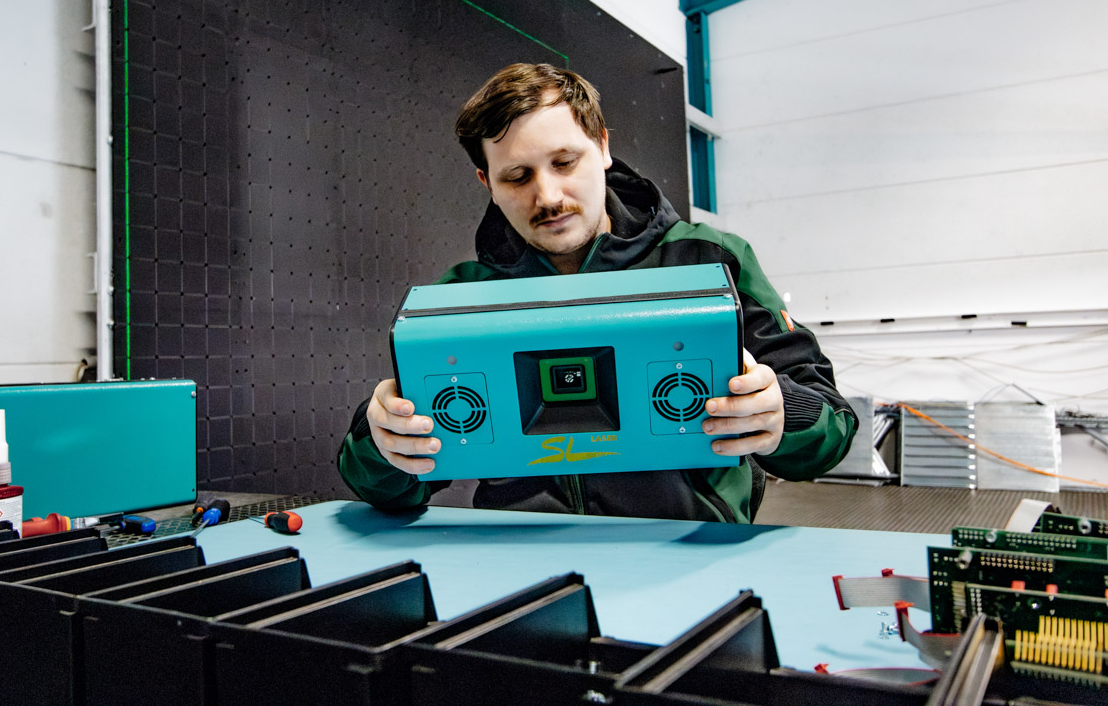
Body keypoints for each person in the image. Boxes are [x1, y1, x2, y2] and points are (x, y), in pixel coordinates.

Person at [337, 63, 856, 522]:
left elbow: (831, 429)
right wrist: (381, 441)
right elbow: (390, 486)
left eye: (564, 162)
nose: (548, 196)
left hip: (691, 558)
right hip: (522, 571)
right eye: (517, 176)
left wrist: (783, 411)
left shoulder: (709, 259)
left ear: (603, 146)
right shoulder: (465, 294)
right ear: (486, 182)